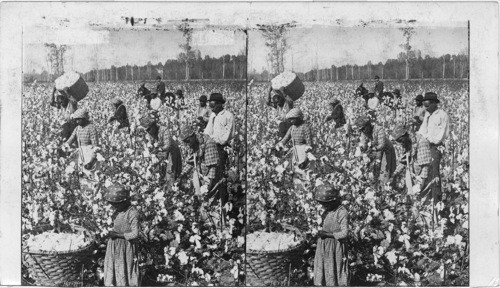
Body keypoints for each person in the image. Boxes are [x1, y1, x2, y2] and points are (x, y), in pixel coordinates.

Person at [103, 184, 140, 286]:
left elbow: (135, 234)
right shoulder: (117, 211)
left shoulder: (132, 213)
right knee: (113, 269)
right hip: (114, 246)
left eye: (117, 204)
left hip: (125, 247)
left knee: (124, 268)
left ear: (124, 201)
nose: (114, 206)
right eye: (113, 204)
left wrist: (118, 235)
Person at [313, 184, 349, 286]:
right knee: (323, 269)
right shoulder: (327, 211)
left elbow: (344, 233)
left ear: (333, 201)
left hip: (335, 247)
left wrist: (327, 234)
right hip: (324, 246)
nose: (324, 206)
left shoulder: (342, 212)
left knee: (333, 269)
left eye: (326, 204)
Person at [417, 92, 450, 202]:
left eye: (427, 105)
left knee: (434, 170)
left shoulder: (442, 115)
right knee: (424, 169)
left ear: (434, 104)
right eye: (424, 105)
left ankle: (436, 198)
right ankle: (426, 194)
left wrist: (426, 138)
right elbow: (422, 130)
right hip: (427, 145)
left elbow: (440, 136)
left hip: (437, 146)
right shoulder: (427, 114)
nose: (425, 108)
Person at [354, 115, 396, 189]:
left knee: (386, 170)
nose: (363, 131)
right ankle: (376, 184)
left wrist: (373, 149)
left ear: (368, 125)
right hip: (375, 151)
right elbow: (364, 144)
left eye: (364, 128)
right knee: (373, 169)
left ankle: (388, 185)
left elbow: (382, 145)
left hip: (386, 150)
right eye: (361, 130)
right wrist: (362, 149)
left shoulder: (379, 129)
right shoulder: (364, 133)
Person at [391, 124, 432, 194]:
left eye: (400, 140)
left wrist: (420, 186)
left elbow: (425, 167)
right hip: (415, 177)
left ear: (405, 136)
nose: (401, 143)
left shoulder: (421, 143)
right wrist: (394, 174)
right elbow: (404, 162)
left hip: (424, 180)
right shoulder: (408, 143)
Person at [204, 93, 235, 172]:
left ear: (219, 104)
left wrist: (213, 140)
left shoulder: (228, 116)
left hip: (222, 149)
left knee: (220, 171)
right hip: (212, 147)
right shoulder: (213, 115)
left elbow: (227, 137)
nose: (211, 107)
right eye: (210, 104)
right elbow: (208, 131)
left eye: (212, 104)